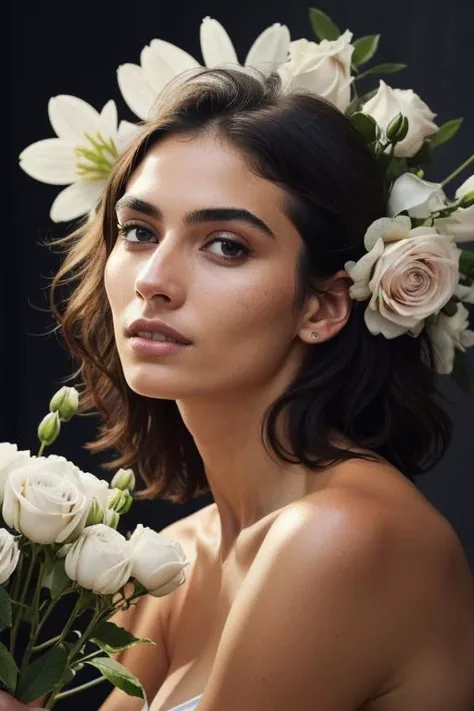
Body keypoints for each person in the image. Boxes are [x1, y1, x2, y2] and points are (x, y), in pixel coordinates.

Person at [4, 66, 474, 711]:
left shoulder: (344, 536)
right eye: (139, 232)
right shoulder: (180, 557)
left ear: (322, 306)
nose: (154, 280)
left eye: (225, 245)